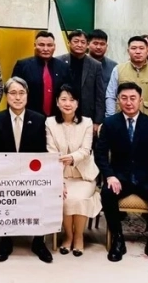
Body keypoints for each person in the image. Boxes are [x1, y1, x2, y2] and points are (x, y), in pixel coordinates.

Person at [96, 82, 148, 266]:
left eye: (133, 98)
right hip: (120, 178)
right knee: (107, 193)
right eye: (124, 98)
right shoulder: (110, 124)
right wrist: (110, 175)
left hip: (146, 178)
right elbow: (100, 154)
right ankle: (118, 239)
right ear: (118, 100)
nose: (128, 102)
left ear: (140, 100)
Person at [0, 77, 52, 263]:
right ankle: (5, 241)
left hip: (31, 175)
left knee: (43, 192)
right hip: (4, 175)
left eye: (21, 93)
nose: (17, 98)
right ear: (6, 96)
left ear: (27, 95)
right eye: (13, 93)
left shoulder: (39, 119)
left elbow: (43, 152)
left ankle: (38, 242)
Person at [45, 85, 101, 258]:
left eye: (72, 100)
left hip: (84, 175)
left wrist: (70, 157)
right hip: (61, 175)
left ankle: (79, 237)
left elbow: (86, 150)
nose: (67, 103)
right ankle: (68, 236)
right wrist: (58, 181)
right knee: (65, 198)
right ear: (57, 102)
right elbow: (51, 152)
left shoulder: (87, 122)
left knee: (79, 198)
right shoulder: (50, 123)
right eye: (63, 99)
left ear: (77, 103)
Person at [105, 36, 148, 124]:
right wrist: (111, 119)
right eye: (133, 48)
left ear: (147, 51)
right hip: (121, 122)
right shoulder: (118, 70)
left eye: (141, 48)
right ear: (128, 51)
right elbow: (110, 96)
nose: (137, 51)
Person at [11, 31, 72, 117]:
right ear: (35, 45)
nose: (46, 49)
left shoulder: (63, 67)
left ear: (54, 47)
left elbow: (69, 93)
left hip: (57, 117)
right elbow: (13, 93)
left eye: (49, 45)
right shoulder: (22, 65)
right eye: (41, 45)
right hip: (29, 116)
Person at [56, 29, 104, 130]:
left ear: (87, 45)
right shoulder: (58, 61)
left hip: (86, 114)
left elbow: (99, 95)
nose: (79, 45)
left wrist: (97, 121)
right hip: (62, 112)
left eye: (83, 42)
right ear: (69, 43)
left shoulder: (96, 65)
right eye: (76, 41)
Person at [88, 29, 118, 95]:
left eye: (102, 44)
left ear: (106, 46)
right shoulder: (80, 63)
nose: (98, 47)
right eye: (95, 43)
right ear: (88, 44)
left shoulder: (114, 66)